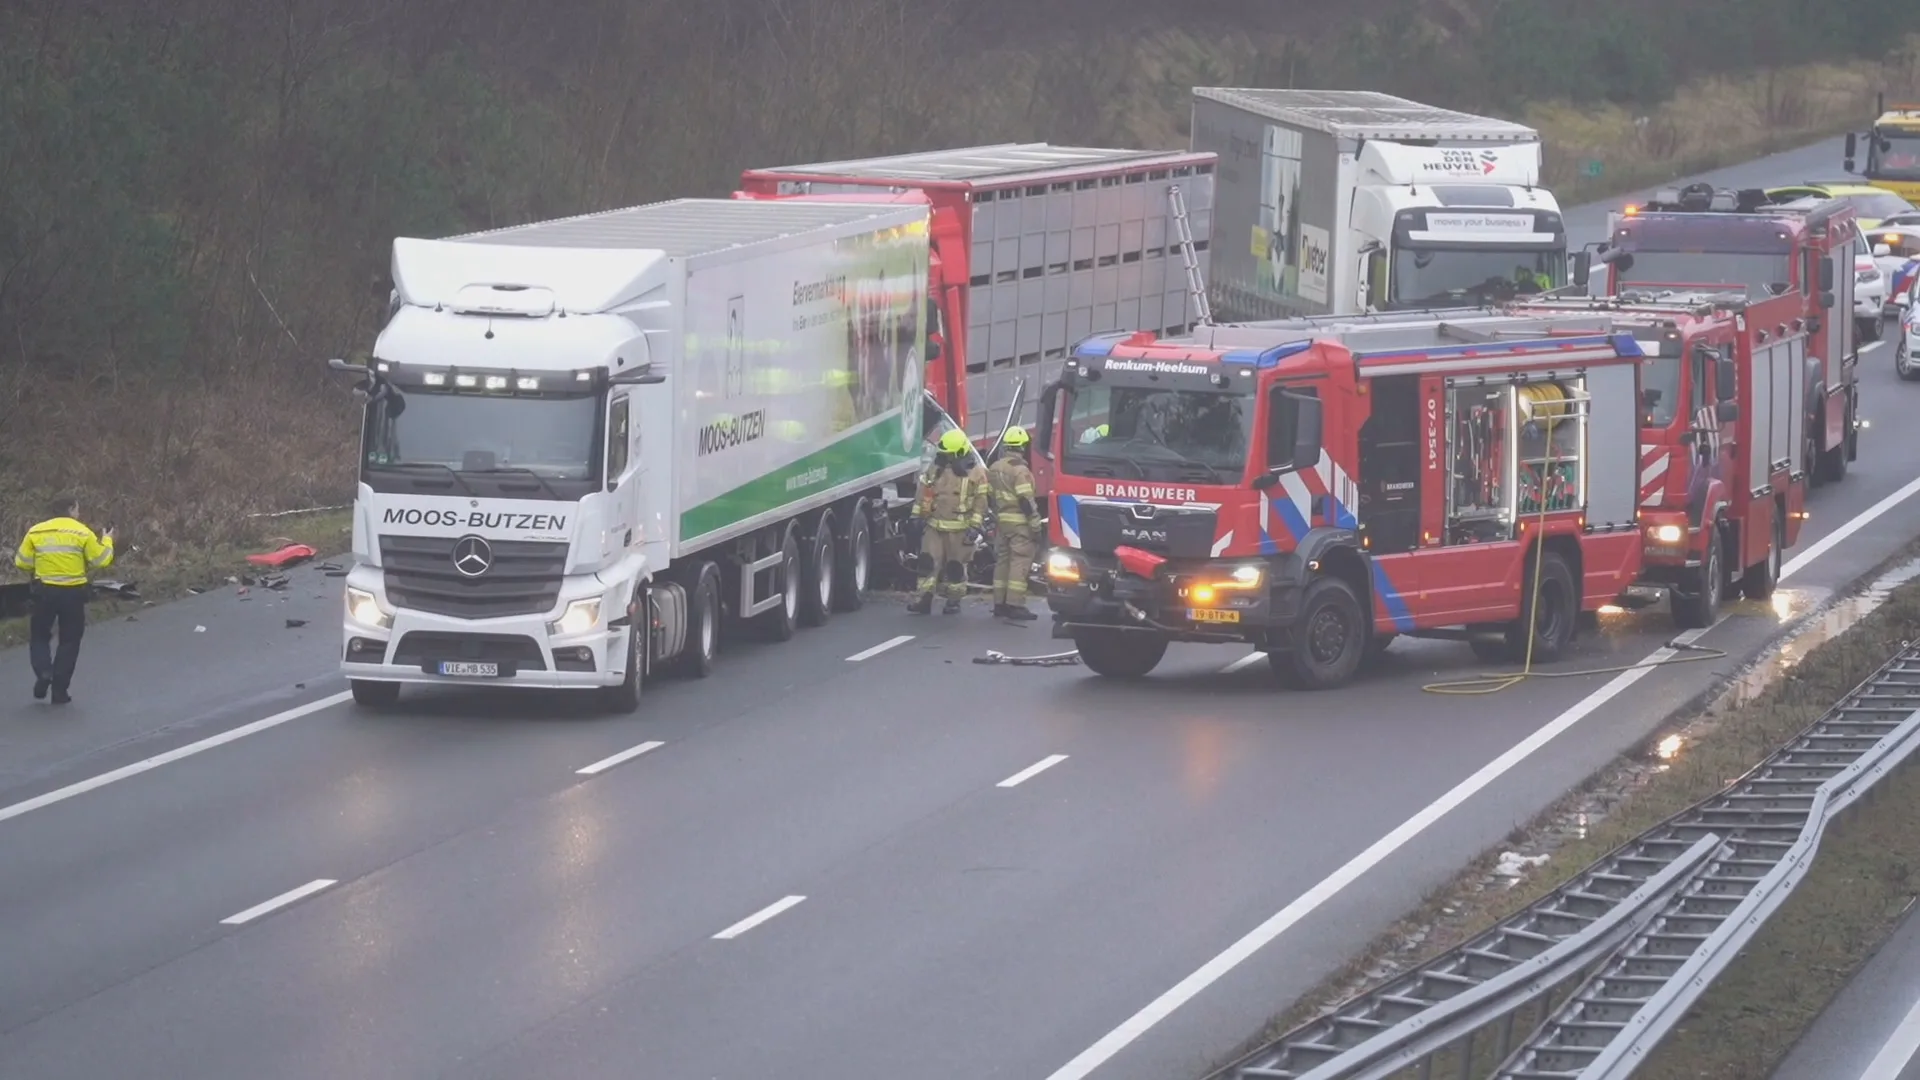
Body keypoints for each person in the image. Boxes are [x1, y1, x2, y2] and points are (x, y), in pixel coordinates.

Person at [13, 497, 114, 704]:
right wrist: (108, 539)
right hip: (73, 593)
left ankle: (43, 672)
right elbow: (101, 560)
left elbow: (21, 562)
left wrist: (39, 565)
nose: (78, 513)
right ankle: (60, 692)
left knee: (39, 636)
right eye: (77, 508)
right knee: (69, 641)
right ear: (70, 509)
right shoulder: (81, 532)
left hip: (44, 592)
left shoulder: (36, 531)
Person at [908, 429, 986, 615]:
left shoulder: (976, 474)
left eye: (948, 455)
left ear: (959, 453)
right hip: (934, 527)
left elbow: (980, 502)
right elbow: (923, 494)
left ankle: (953, 600)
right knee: (927, 563)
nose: (945, 459)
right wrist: (916, 517)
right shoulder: (934, 470)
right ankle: (924, 599)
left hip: (960, 530)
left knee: (955, 567)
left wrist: (975, 526)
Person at [987, 426, 1040, 621]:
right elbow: (1026, 500)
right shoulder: (1020, 470)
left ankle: (999, 603)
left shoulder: (994, 468)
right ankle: (1015, 604)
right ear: (1022, 447)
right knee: (1020, 561)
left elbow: (990, 496)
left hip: (1002, 522)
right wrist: (1035, 524)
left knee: (1002, 562)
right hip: (1020, 524)